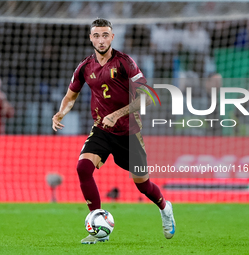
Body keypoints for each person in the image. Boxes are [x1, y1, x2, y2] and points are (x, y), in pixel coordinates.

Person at [52, 18, 176, 244]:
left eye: (105, 35)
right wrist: (61, 112)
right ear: (91, 38)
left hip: (129, 132)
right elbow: (71, 97)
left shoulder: (125, 62)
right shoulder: (84, 67)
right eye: (96, 35)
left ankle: (165, 207)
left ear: (112, 37)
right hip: (101, 129)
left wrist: (117, 114)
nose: (101, 40)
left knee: (143, 185)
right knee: (83, 167)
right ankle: (97, 227)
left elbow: (148, 97)